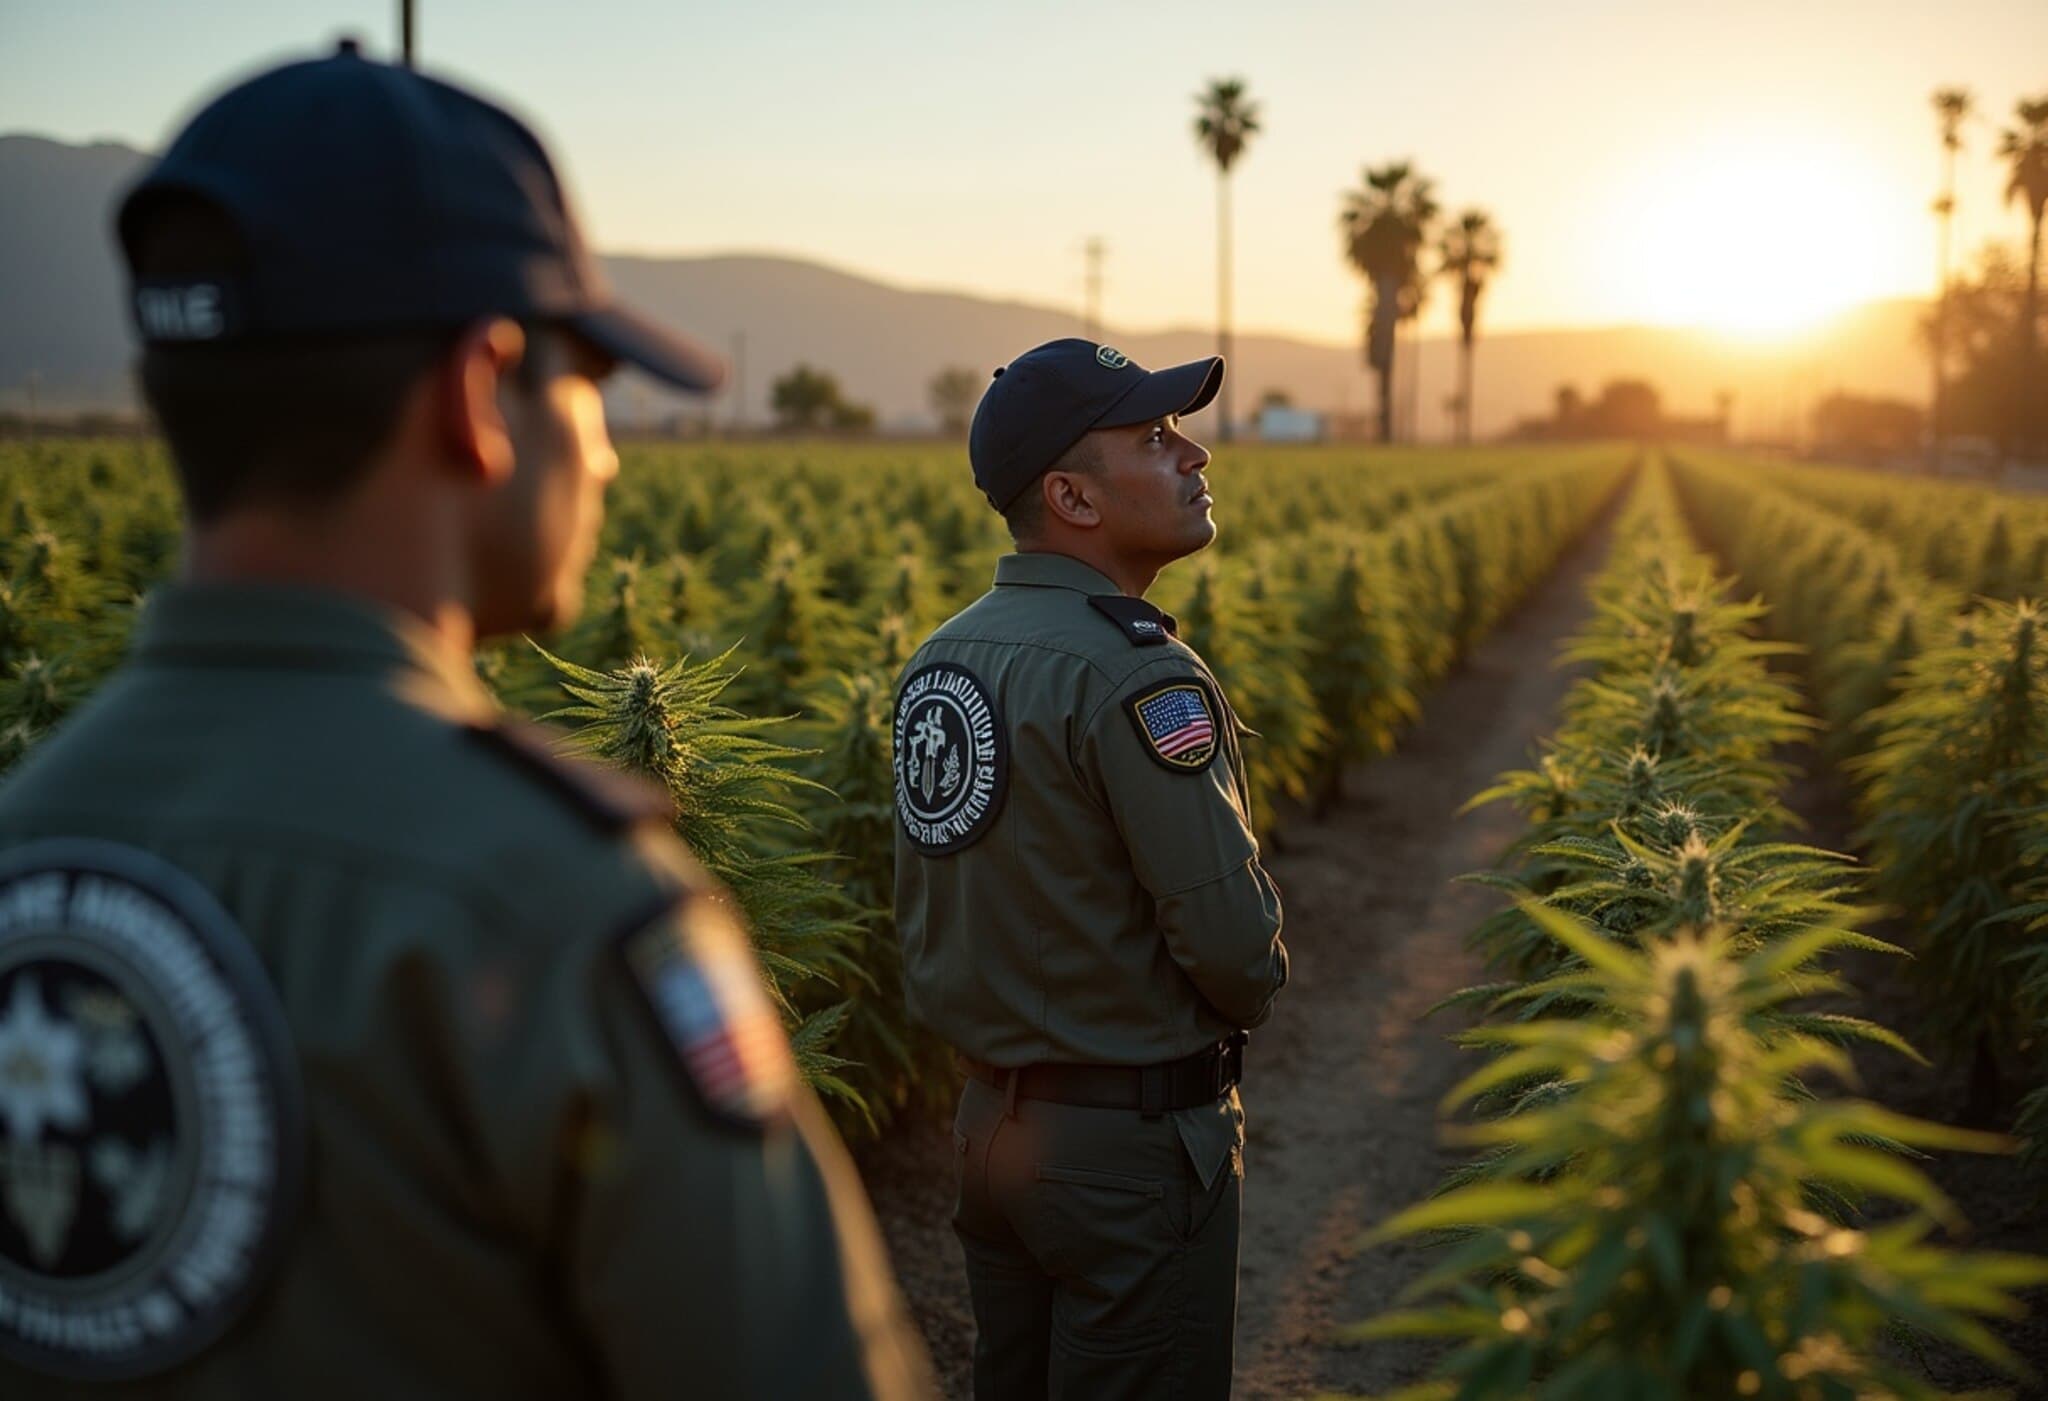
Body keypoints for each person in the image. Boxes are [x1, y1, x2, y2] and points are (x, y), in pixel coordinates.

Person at [0, 42, 932, 1400]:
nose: (606, 449)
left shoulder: (28, 829)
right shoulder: (554, 900)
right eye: (586, 385)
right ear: (476, 393)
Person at [892, 338, 1289, 1400]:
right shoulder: (1131, 671)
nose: (1193, 456)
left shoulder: (941, 658)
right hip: (1126, 1154)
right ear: (1069, 495)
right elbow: (1231, 948)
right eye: (1155, 438)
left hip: (989, 1134)